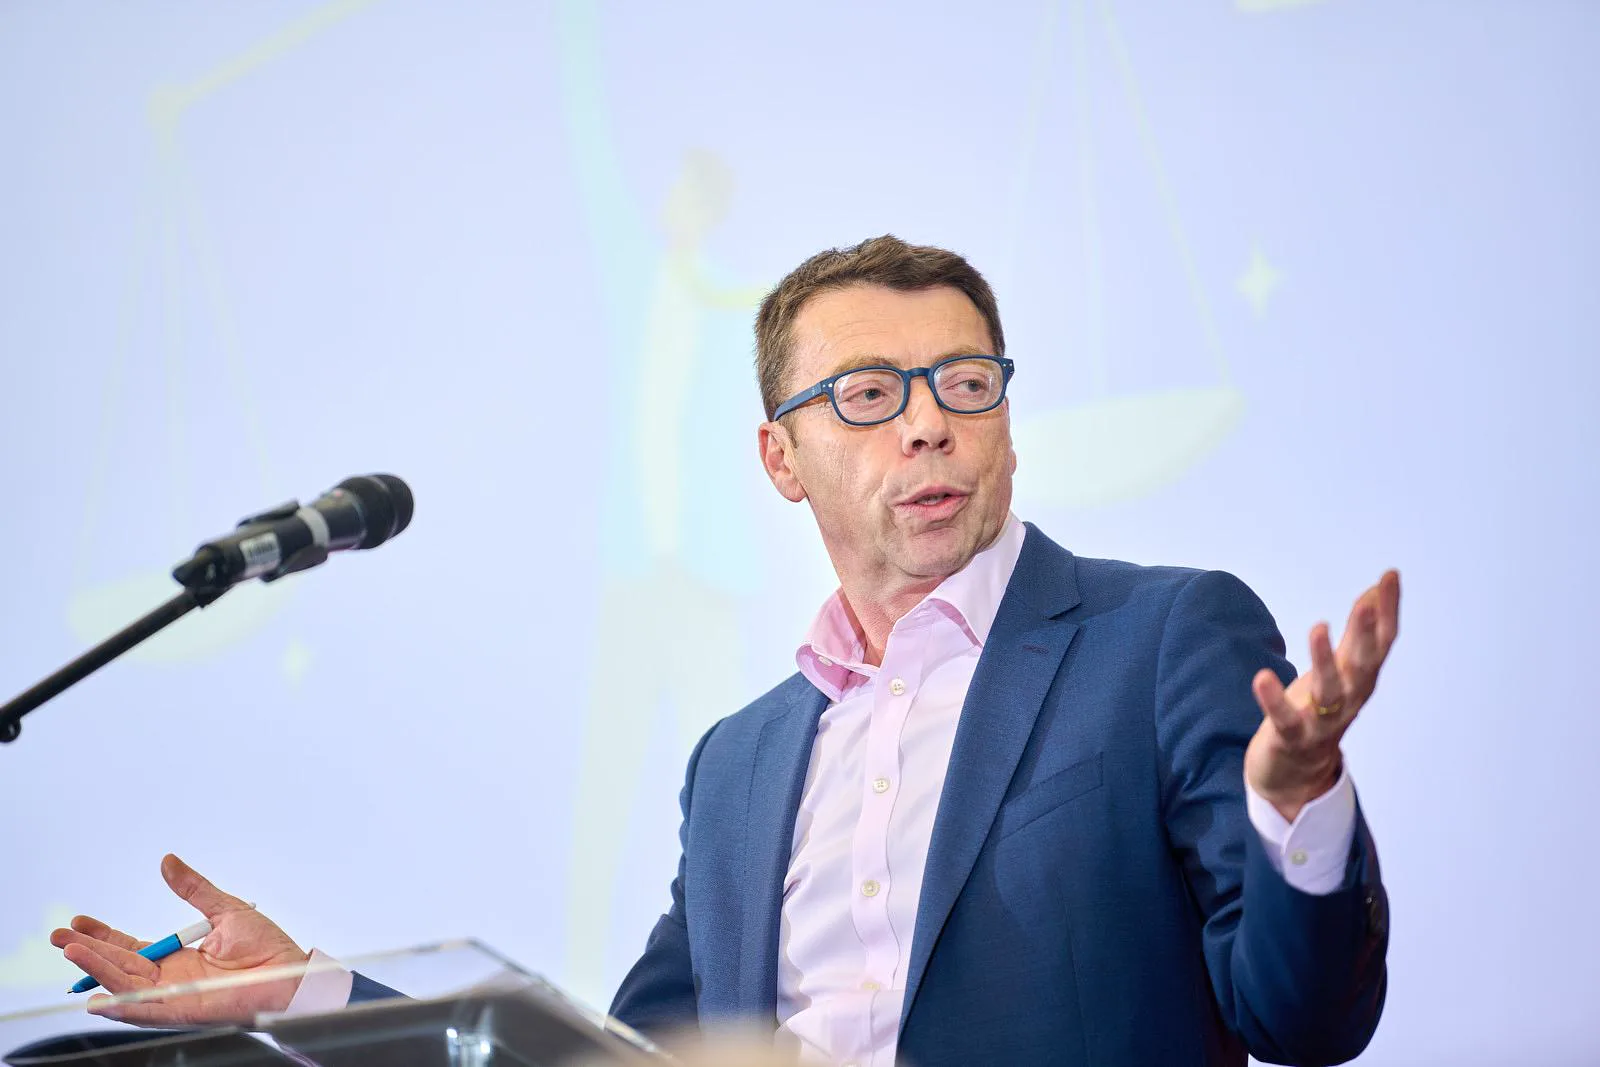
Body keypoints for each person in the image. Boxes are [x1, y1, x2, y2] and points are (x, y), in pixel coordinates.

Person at [52, 237, 1397, 1067]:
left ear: (1007, 418)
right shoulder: (742, 759)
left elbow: (1305, 1020)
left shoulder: (1162, 633)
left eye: (965, 384)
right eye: (867, 395)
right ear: (780, 459)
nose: (926, 426)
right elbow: (626, 1062)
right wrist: (316, 987)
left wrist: (1297, 805)